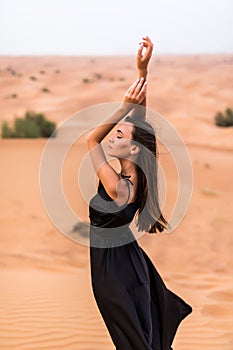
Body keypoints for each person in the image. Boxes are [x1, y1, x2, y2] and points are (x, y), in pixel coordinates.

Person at [86, 36, 192, 350]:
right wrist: (142, 71)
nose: (113, 133)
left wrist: (122, 108)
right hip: (129, 264)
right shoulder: (137, 177)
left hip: (113, 273)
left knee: (132, 342)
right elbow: (140, 124)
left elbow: (90, 141)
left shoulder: (117, 187)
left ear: (132, 149)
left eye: (119, 132)